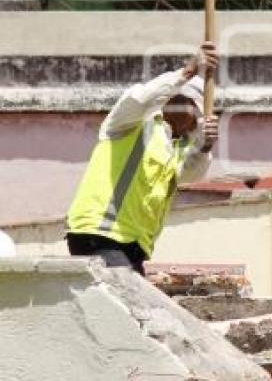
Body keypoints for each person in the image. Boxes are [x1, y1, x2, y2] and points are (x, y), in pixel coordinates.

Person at [66, 42, 219, 275]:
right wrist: (187, 71)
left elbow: (192, 172)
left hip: (133, 245)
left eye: (191, 108)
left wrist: (205, 146)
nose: (183, 109)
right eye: (178, 100)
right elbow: (139, 98)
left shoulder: (180, 147)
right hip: (99, 234)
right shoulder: (131, 124)